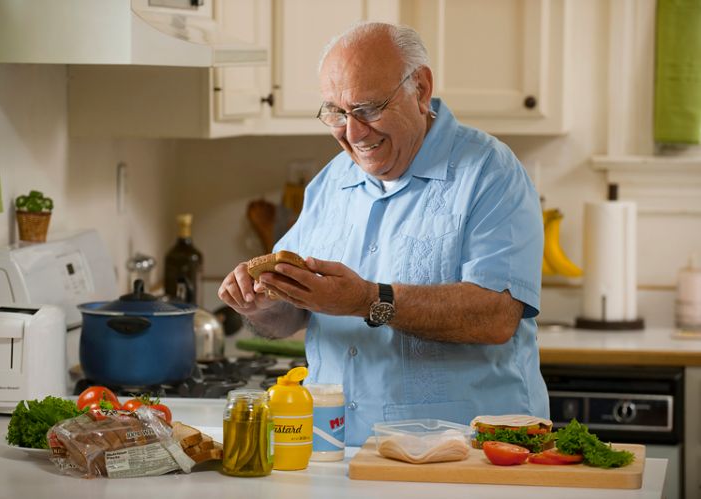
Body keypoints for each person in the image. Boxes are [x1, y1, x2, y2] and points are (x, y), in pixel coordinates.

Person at [218, 22, 549, 446]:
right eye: (336, 113)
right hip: (340, 451)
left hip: (470, 453)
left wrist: (369, 300)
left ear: (421, 89)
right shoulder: (330, 184)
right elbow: (289, 316)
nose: (352, 134)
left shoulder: (489, 171)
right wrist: (258, 305)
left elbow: (497, 315)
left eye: (369, 108)